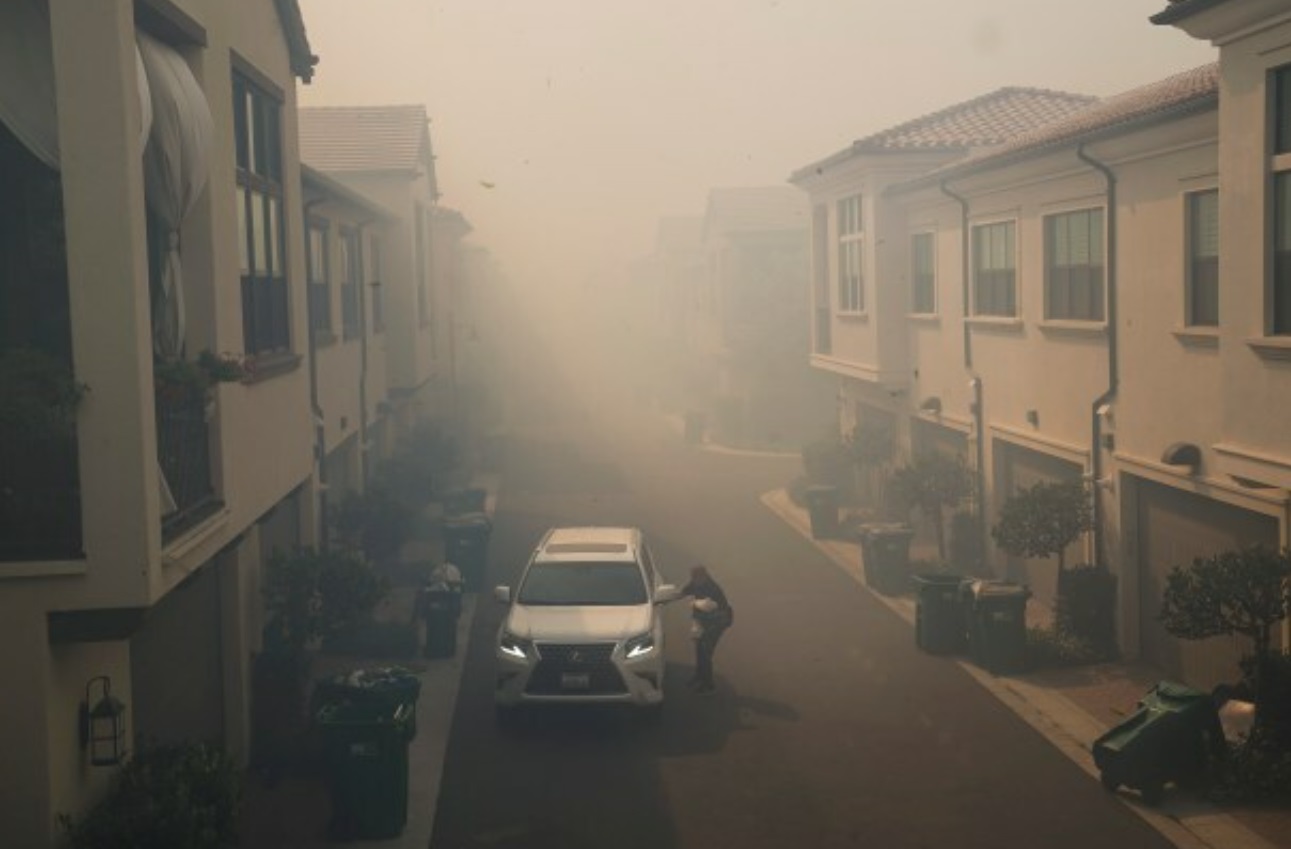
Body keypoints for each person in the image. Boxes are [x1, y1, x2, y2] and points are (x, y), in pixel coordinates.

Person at [680, 565, 733, 695]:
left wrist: (696, 605)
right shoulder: (696, 583)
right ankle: (699, 676)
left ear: (703, 577)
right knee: (699, 648)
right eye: (693, 578)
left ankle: (708, 685)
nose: (694, 581)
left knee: (705, 652)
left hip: (717, 623)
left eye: (696, 578)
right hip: (704, 621)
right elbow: (685, 591)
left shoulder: (712, 589)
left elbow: (712, 609)